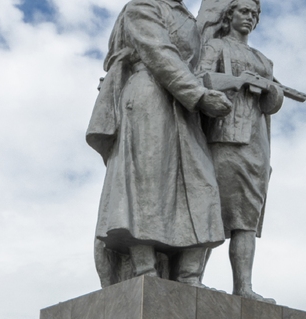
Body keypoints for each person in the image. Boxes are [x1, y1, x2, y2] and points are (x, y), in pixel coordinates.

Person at [86, 0, 233, 288]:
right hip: (150, 96)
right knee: (146, 183)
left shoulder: (187, 17)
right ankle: (144, 269)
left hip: (184, 104)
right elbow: (159, 52)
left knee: (203, 184)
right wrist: (199, 95)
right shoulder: (142, 6)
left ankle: (190, 276)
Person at [197, 0, 284, 302]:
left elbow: (270, 104)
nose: (250, 17)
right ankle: (192, 279)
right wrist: (238, 81)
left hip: (256, 144)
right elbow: (200, 78)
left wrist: (272, 91)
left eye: (255, 14)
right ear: (230, 14)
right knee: (211, 210)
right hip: (224, 137)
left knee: (247, 219)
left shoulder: (264, 60)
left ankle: (243, 287)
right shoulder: (216, 46)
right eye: (244, 11)